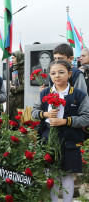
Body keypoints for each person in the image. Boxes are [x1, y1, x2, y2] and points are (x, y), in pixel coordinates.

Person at [32, 60, 89, 202]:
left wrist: (65, 121)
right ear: (49, 75)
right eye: (53, 73)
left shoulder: (78, 95)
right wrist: (45, 114)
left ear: (69, 74)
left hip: (70, 139)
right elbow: (34, 112)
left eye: (61, 72)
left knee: (67, 174)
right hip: (49, 138)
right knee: (52, 174)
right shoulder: (45, 93)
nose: (57, 76)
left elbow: (86, 118)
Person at [9, 51, 25, 122]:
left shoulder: (24, 69)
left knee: (17, 120)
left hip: (20, 98)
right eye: (11, 58)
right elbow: (15, 82)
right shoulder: (14, 68)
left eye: (13, 58)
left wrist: (15, 89)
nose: (12, 60)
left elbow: (25, 86)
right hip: (13, 98)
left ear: (19, 58)